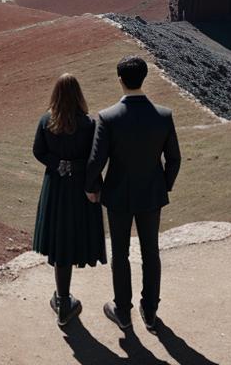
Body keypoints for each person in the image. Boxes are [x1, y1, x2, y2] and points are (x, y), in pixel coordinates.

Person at [85, 55, 181, 334]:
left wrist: (93, 188)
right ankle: (150, 312)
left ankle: (122, 312)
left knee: (121, 254)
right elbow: (174, 159)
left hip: (117, 195)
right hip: (152, 195)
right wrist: (164, 185)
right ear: (143, 78)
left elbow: (95, 162)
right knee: (151, 252)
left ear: (120, 80)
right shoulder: (163, 115)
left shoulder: (108, 117)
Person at [31, 73, 107, 327]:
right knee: (75, 235)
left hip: (55, 187)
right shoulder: (89, 124)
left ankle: (62, 300)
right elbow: (95, 160)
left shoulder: (46, 122)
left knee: (59, 241)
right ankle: (65, 302)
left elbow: (38, 151)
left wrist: (58, 164)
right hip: (79, 188)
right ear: (78, 95)